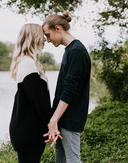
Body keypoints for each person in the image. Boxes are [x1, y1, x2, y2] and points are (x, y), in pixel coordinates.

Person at [43, 12, 91, 163]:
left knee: (73, 160)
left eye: (48, 35)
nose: (47, 40)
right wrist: (55, 120)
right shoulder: (69, 50)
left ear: (58, 28)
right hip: (62, 120)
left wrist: (53, 120)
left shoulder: (77, 51)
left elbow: (70, 90)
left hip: (70, 119)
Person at [9, 23, 52, 163]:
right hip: (28, 133)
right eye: (42, 36)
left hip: (28, 131)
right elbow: (39, 102)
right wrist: (53, 124)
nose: (45, 39)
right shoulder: (28, 64)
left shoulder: (29, 63)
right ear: (33, 38)